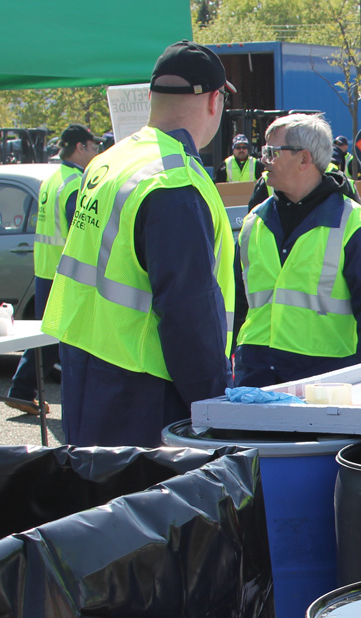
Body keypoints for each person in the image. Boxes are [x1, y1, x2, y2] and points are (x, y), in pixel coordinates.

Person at [42, 40, 236, 447]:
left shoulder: (111, 160)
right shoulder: (174, 180)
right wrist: (213, 406)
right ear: (215, 101)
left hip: (86, 370)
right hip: (144, 390)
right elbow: (188, 312)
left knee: (98, 504)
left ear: (150, 96)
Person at [232, 114, 361, 386]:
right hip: (255, 375)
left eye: (272, 152)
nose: (263, 160)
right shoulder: (253, 222)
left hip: (324, 380)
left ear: (304, 159)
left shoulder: (352, 224)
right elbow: (235, 305)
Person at [5, 123, 102, 414]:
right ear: (80, 147)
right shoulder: (75, 182)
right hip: (66, 270)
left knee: (49, 336)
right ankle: (29, 392)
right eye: (93, 147)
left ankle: (21, 390)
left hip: (46, 268)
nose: (96, 152)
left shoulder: (52, 178)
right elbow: (81, 226)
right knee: (68, 337)